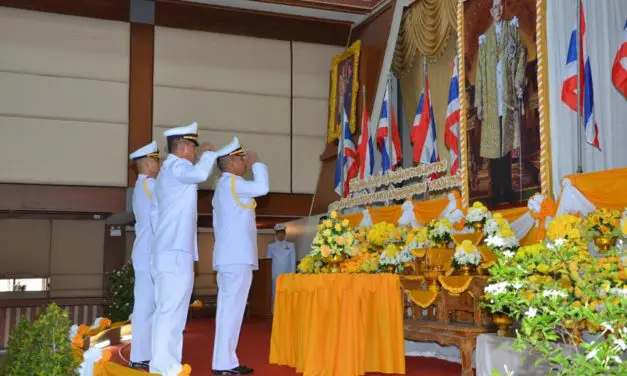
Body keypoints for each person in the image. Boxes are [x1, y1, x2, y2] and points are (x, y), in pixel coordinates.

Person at [150, 122, 218, 374]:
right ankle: (162, 366)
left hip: (170, 251)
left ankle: (168, 364)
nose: (196, 151)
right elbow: (201, 174)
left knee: (172, 312)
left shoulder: (169, 173)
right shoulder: (177, 167)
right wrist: (211, 153)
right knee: (171, 312)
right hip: (174, 253)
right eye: (193, 146)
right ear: (182, 147)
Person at [212, 137, 269, 375]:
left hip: (231, 257)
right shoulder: (232, 183)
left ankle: (224, 360)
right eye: (242, 158)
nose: (245, 161)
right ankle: (225, 362)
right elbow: (263, 187)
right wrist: (257, 163)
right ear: (232, 162)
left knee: (230, 310)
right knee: (231, 310)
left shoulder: (226, 185)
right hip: (236, 257)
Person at [474, 0, 526, 204]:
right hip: (490, 100)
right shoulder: (484, 39)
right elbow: (479, 73)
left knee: (505, 147)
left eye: (500, 6)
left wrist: (519, 81)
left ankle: (509, 188)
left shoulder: (512, 30)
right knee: (494, 148)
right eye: (494, 7)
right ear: (490, 11)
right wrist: (479, 103)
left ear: (504, 8)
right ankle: (496, 190)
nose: (498, 10)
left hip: (507, 98)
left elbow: (521, 56)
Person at [128, 140, 161, 370]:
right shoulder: (149, 184)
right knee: (145, 306)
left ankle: (144, 354)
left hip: (147, 252)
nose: (160, 164)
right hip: (148, 253)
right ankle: (139, 356)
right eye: (157, 159)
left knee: (148, 305)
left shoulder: (143, 185)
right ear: (149, 162)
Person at [267, 224, 296, 307]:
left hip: (287, 274)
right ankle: (275, 310)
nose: (281, 235)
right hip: (275, 274)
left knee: (286, 292)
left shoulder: (291, 245)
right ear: (276, 234)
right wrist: (270, 275)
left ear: (285, 234)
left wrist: (292, 275)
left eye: (282, 233)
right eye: (279, 233)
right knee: (275, 292)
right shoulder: (270, 246)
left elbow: (293, 261)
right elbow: (268, 261)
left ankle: (286, 309)